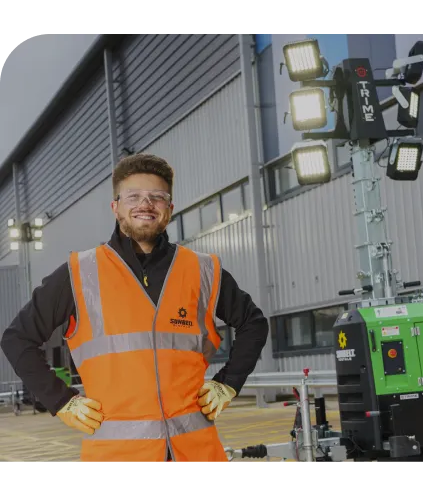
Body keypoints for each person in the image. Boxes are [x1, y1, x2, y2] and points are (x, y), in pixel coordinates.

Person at [0, 153, 270, 464]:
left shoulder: (202, 270)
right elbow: (16, 338)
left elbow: (254, 322)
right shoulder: (80, 273)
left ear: (169, 209)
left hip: (197, 454)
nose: (146, 204)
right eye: (134, 196)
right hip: (117, 457)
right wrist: (60, 401)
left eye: (157, 196)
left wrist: (229, 383)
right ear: (115, 207)